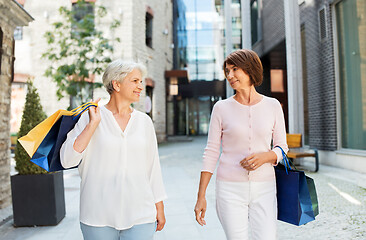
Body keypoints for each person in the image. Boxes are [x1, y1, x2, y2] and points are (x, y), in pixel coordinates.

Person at [60, 60, 167, 240]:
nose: (140, 86)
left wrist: (159, 206)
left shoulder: (144, 122)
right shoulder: (90, 117)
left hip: (141, 214)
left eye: (141, 81)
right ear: (116, 84)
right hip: (97, 216)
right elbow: (67, 160)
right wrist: (92, 125)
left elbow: (153, 168)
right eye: (134, 81)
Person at [194, 49, 288, 240]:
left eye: (235, 69)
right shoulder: (221, 108)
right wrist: (201, 195)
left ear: (250, 69)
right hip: (229, 189)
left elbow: (282, 147)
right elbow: (211, 152)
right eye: (227, 71)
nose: (230, 75)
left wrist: (266, 157)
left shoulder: (273, 106)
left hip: (265, 187)